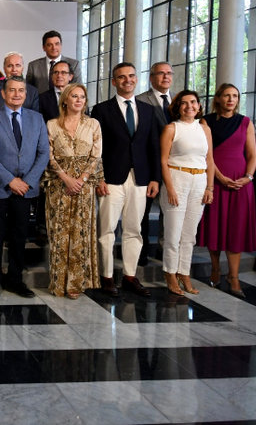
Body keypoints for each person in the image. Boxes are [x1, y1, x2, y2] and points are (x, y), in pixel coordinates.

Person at [91, 62, 160, 297]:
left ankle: (130, 276)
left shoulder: (148, 110)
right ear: (114, 82)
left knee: (134, 229)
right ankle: (107, 277)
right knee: (107, 230)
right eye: (121, 77)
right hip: (111, 178)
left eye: (131, 76)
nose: (127, 80)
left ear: (136, 79)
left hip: (140, 178)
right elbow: (96, 148)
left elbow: (154, 147)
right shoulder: (101, 110)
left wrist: (155, 179)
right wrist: (98, 177)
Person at [0, 76, 49, 301]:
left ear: (26, 94)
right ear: (3, 93)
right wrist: (10, 180)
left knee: (20, 237)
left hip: (26, 189)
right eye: (12, 90)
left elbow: (43, 153)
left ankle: (15, 280)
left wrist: (27, 181)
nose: (17, 94)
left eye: (21, 90)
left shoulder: (37, 119)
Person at [41, 83, 103, 299]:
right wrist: (67, 178)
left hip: (84, 188)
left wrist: (82, 179)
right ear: (65, 100)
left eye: (82, 97)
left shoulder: (93, 124)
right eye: (74, 96)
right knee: (58, 234)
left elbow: (96, 156)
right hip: (59, 185)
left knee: (80, 234)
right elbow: (48, 155)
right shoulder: (51, 124)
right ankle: (58, 282)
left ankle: (75, 283)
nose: (78, 100)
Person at [198, 83, 256, 298]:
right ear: (219, 98)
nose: (231, 99)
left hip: (241, 184)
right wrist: (220, 178)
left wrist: (247, 178)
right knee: (215, 226)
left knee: (236, 228)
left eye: (235, 96)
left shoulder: (245, 122)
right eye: (227, 95)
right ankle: (215, 268)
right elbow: (205, 154)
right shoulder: (207, 121)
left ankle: (234, 277)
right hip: (215, 179)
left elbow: (252, 155)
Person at [159, 90, 215, 296]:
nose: (189, 106)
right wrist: (171, 188)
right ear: (178, 107)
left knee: (189, 235)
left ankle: (184, 272)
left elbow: (210, 160)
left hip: (199, 180)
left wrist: (210, 187)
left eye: (193, 102)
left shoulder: (205, 129)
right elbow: (163, 161)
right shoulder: (171, 128)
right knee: (173, 233)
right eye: (184, 103)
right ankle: (170, 273)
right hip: (177, 179)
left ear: (199, 106)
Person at [135, 61, 173, 265]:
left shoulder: (178, 101)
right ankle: (140, 253)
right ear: (151, 78)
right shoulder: (141, 100)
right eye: (161, 73)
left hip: (174, 165)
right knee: (144, 210)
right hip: (149, 163)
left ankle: (163, 248)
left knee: (170, 211)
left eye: (169, 73)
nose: (166, 77)